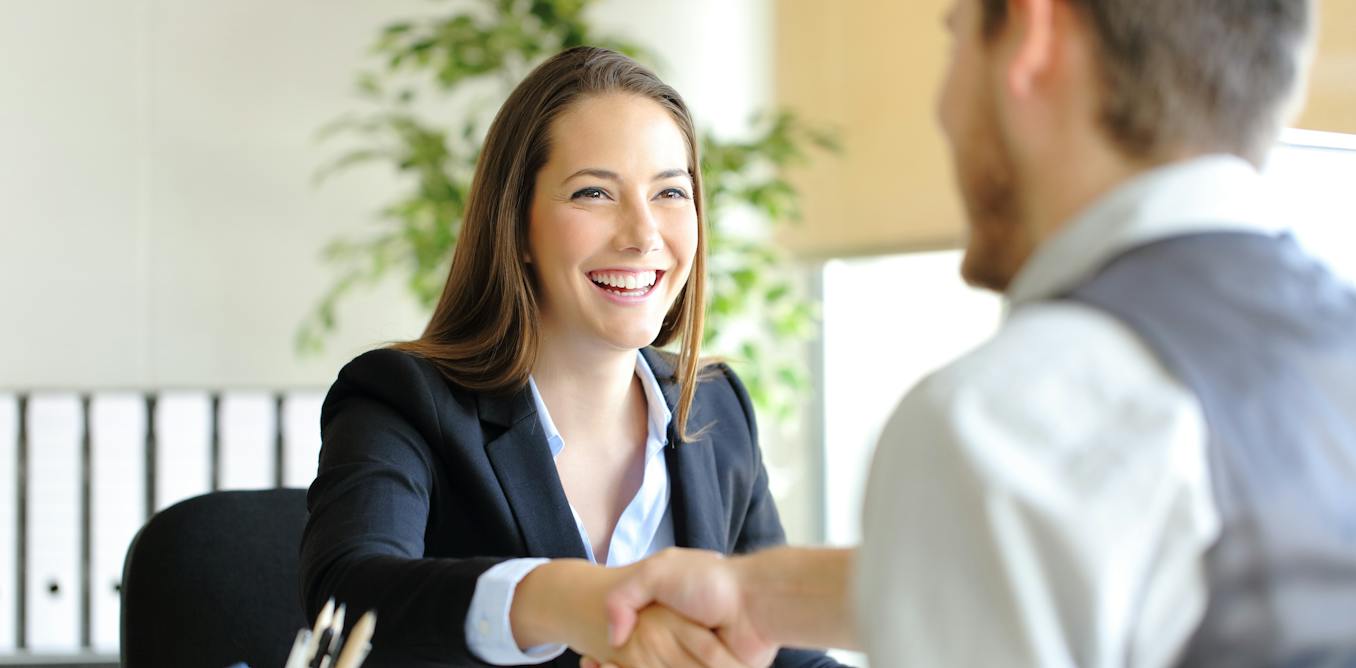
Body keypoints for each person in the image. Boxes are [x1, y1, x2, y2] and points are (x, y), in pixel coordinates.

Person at [598, 0, 1356, 666]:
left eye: (956, 36)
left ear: (1031, 37)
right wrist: (755, 591)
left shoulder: (1002, 421)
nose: (941, 107)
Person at [300, 46, 845, 668]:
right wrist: (569, 599)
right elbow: (345, 598)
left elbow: (785, 652)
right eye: (593, 193)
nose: (643, 235)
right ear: (518, 226)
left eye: (670, 192)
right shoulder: (404, 399)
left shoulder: (715, 404)